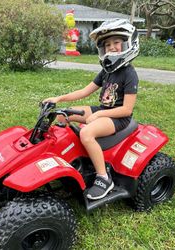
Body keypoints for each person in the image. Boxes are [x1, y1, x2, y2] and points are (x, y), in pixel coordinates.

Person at [43, 19, 139, 200]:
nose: (112, 47)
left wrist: (99, 114)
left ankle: (104, 177)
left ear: (128, 43)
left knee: (86, 133)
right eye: (107, 44)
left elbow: (126, 110)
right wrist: (59, 99)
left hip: (117, 118)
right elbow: (84, 91)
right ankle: (64, 156)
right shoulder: (106, 71)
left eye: (116, 42)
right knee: (64, 115)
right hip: (103, 110)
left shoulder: (129, 74)